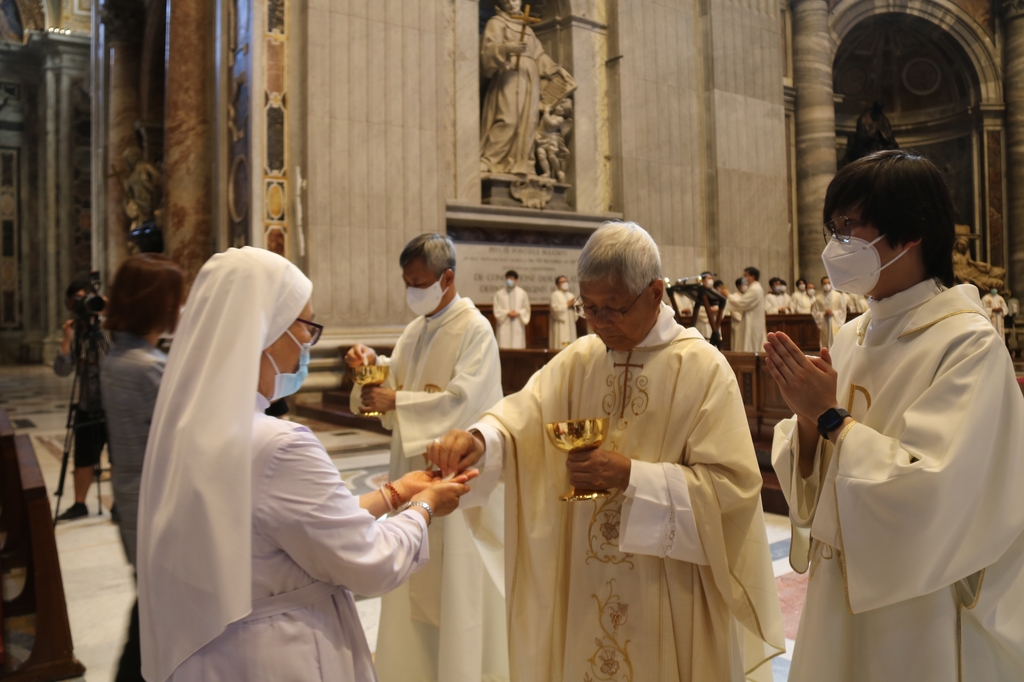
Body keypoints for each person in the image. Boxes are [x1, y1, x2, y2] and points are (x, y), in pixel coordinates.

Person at [428, 222, 784, 682]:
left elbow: (732, 489)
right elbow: (525, 417)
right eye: (589, 307)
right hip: (585, 582)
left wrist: (632, 476)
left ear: (655, 293)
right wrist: (480, 439)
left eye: (613, 308)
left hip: (667, 587)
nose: (598, 322)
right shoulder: (582, 358)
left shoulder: (701, 368)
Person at [135, 247, 476, 682]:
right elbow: (371, 563)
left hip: (209, 653)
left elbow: (293, 526)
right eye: (306, 328)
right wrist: (424, 507)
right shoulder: (279, 445)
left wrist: (394, 493)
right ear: (264, 328)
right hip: (276, 651)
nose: (308, 347)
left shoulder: (184, 431)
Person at [766, 149, 1024, 682]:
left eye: (850, 229)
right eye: (833, 230)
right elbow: (817, 481)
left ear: (910, 234)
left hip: (918, 606)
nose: (835, 247)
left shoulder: (967, 343)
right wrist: (810, 426)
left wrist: (831, 418)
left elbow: (933, 489)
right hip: (839, 589)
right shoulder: (851, 334)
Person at [345, 234, 508, 682]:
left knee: (453, 587)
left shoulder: (475, 329)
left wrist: (397, 400)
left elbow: (463, 404)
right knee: (411, 578)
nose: (412, 291)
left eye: (419, 282)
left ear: (447, 277)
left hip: (452, 479)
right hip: (410, 477)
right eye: (407, 282)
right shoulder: (415, 330)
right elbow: (388, 394)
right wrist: (369, 368)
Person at [100, 254, 185, 682]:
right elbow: (185, 441)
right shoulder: (149, 368)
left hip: (131, 501)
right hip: (155, 508)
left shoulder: (119, 356)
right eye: (177, 298)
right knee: (155, 613)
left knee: (149, 607)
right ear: (158, 304)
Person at [53, 276, 110, 521]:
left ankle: (120, 504)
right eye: (78, 300)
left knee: (119, 455)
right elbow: (63, 370)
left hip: (112, 406)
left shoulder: (109, 327)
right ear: (69, 303)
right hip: (88, 403)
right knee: (84, 457)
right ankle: (79, 504)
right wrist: (66, 339)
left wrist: (109, 311)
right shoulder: (74, 333)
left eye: (87, 297)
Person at [727, 267, 767, 352]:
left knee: (751, 346)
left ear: (753, 276)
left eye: (746, 275)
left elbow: (742, 303)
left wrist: (728, 295)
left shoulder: (755, 289)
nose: (744, 278)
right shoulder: (754, 288)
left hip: (753, 322)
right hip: (751, 320)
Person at [493, 269, 531, 348]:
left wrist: (518, 312)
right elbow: (497, 309)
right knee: (504, 345)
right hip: (504, 323)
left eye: (512, 278)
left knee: (517, 345)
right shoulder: (499, 294)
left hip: (517, 323)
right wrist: (507, 312)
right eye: (508, 278)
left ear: (516, 280)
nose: (509, 280)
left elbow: (526, 308)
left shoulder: (522, 293)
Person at [811, 276, 847, 349]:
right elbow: (815, 312)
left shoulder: (838, 295)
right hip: (824, 322)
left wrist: (833, 312)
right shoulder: (818, 298)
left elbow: (843, 310)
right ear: (821, 285)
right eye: (825, 283)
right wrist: (823, 313)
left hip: (835, 321)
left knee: (836, 340)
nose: (827, 285)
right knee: (825, 342)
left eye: (829, 283)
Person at [549, 274, 578, 349]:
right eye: (562, 282)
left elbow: (577, 309)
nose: (565, 283)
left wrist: (575, 307)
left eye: (566, 281)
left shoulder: (571, 295)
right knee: (563, 344)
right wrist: (567, 305)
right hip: (561, 325)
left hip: (570, 323)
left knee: (571, 345)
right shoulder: (555, 295)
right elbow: (555, 309)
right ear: (557, 284)